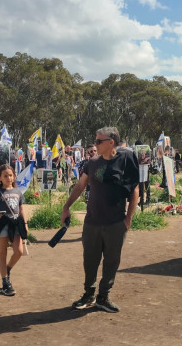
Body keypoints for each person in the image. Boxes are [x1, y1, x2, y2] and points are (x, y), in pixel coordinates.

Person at [61, 126, 139, 313]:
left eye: (98, 141)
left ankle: (103, 297)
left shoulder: (126, 159)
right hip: (92, 222)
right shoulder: (92, 162)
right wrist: (66, 207)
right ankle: (89, 294)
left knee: (112, 261)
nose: (94, 145)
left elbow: (134, 190)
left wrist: (128, 219)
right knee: (90, 260)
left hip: (115, 222)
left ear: (111, 142)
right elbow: (80, 186)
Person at [0, 164, 28, 296]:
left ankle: (8, 269)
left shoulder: (18, 192)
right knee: (2, 253)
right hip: (2, 225)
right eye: (5, 176)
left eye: (10, 175)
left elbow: (22, 209)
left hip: (16, 224)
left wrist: (25, 225)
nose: (8, 178)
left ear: (14, 176)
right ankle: (5, 282)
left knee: (18, 251)